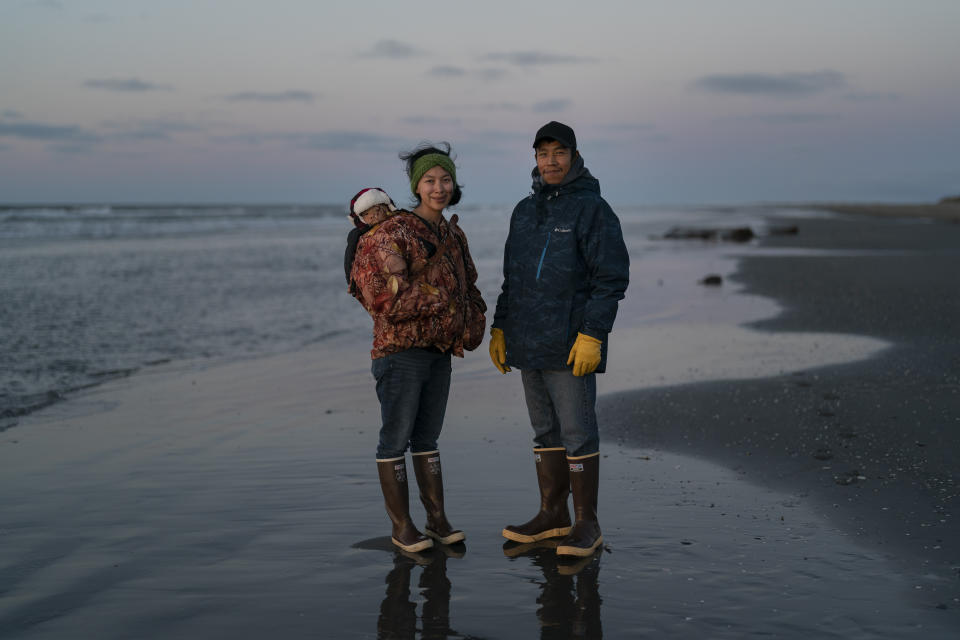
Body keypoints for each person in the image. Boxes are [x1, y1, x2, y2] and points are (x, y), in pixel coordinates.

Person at [490, 121, 629, 557]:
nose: (550, 161)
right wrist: (500, 325)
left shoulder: (593, 209)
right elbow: (512, 277)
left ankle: (587, 523)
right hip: (528, 340)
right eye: (542, 153)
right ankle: (553, 514)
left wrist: (593, 334)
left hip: (571, 342)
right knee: (544, 431)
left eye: (558, 152)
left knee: (578, 433)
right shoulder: (523, 210)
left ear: (574, 156)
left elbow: (611, 279)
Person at [347, 145, 486, 553]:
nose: (439, 188)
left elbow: (470, 286)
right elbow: (382, 297)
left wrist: (473, 321)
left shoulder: (453, 233)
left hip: (439, 352)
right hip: (399, 352)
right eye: (430, 181)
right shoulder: (391, 233)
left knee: (428, 438)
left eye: (445, 180)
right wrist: (445, 303)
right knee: (395, 439)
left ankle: (437, 521)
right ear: (416, 186)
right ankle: (403, 526)